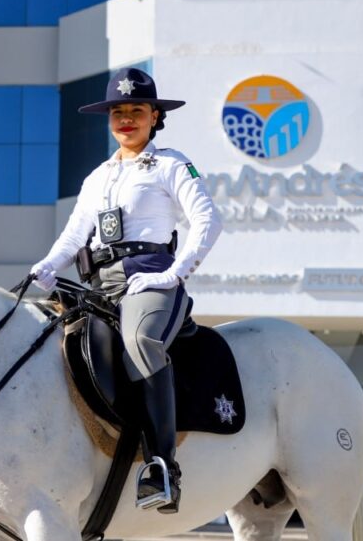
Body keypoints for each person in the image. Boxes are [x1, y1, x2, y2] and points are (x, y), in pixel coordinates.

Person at [30, 67, 222, 514]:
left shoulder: (173, 164)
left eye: (137, 110)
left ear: (155, 116)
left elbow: (208, 220)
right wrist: (47, 265)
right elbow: (75, 234)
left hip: (149, 279)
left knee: (140, 341)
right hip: (99, 286)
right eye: (119, 112)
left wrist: (174, 274)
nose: (127, 119)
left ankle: (162, 467)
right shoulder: (97, 177)